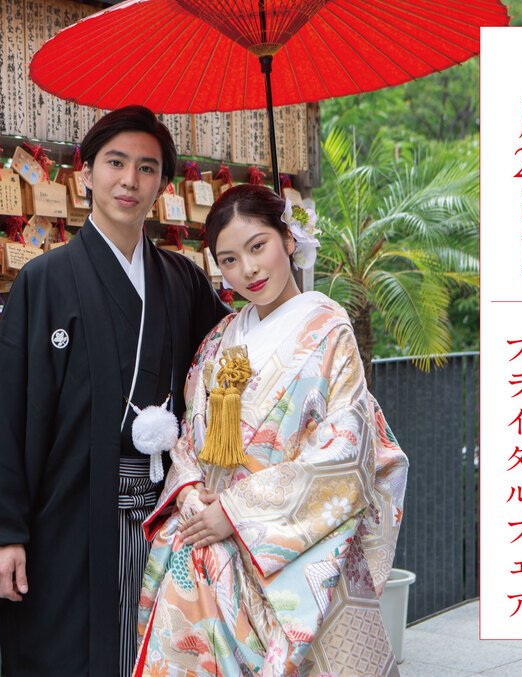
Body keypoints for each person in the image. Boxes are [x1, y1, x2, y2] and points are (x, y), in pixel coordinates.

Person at [0, 105, 229, 676]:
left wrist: (283, 271)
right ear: (85, 173)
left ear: (162, 185)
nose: (130, 180)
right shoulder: (46, 280)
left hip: (167, 515)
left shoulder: (183, 281)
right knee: (65, 656)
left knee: (162, 653)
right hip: (66, 518)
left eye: (147, 168)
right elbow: (6, 409)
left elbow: (237, 362)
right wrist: (3, 533)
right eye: (115, 163)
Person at [133, 184, 409, 677]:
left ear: (288, 238)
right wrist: (191, 493)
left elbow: (345, 451)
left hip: (285, 551)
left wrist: (237, 513)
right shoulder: (221, 337)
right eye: (229, 259)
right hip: (209, 543)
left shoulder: (328, 329)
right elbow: (191, 436)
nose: (248, 269)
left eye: (258, 246)